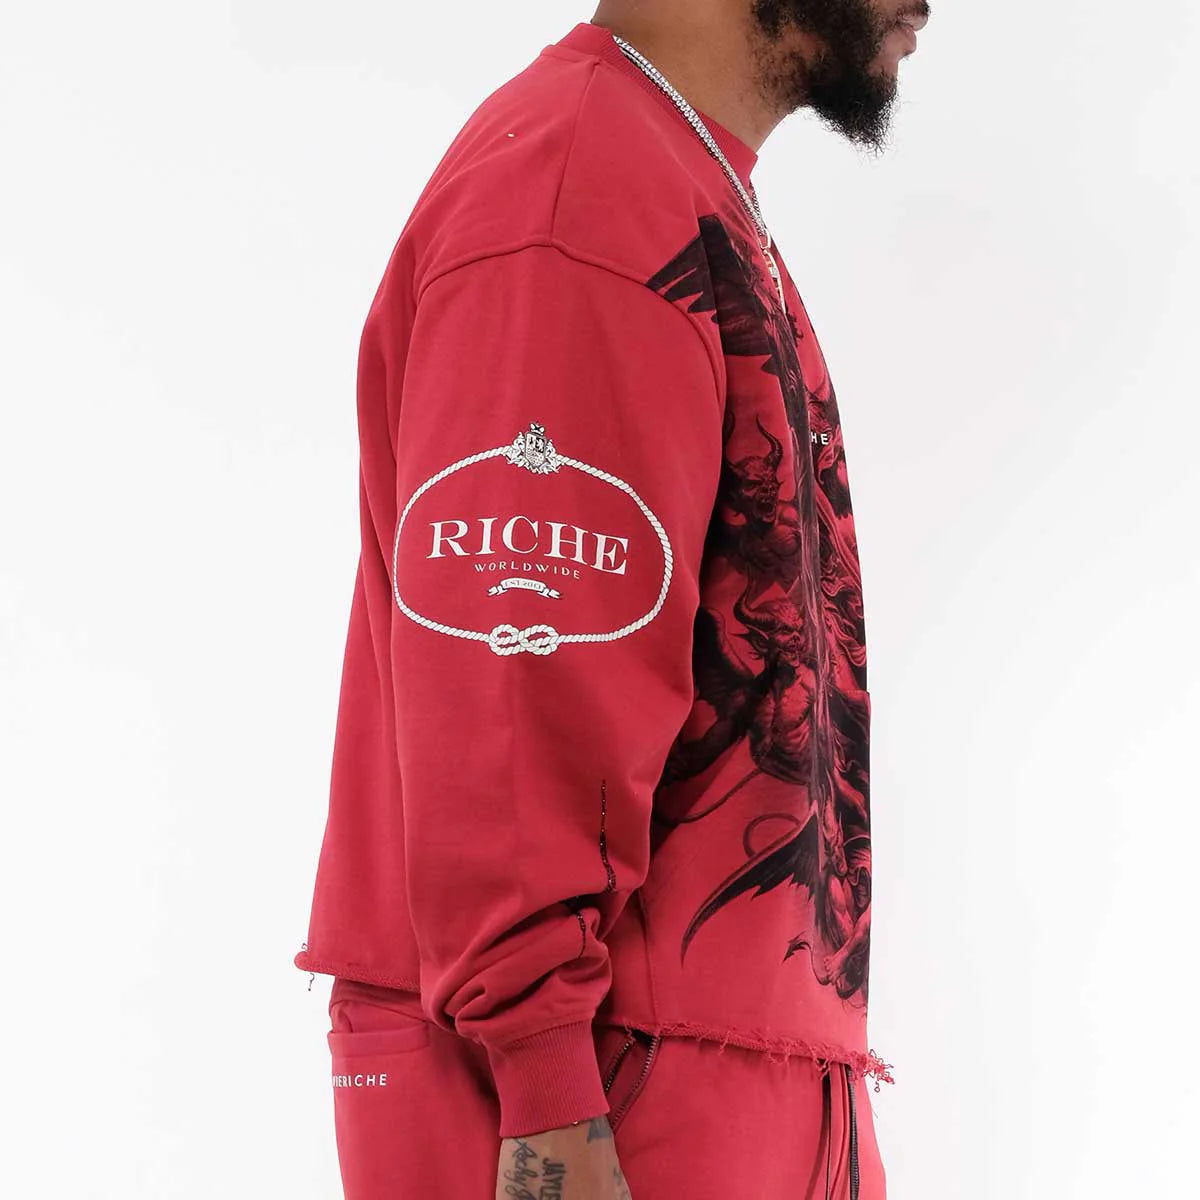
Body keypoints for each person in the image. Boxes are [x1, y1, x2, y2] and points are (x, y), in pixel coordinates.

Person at [293, 2, 930, 1196]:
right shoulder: (577, 193)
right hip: (598, 1097)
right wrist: (547, 1086)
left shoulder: (665, 172)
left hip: (717, 1066)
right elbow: (510, 678)